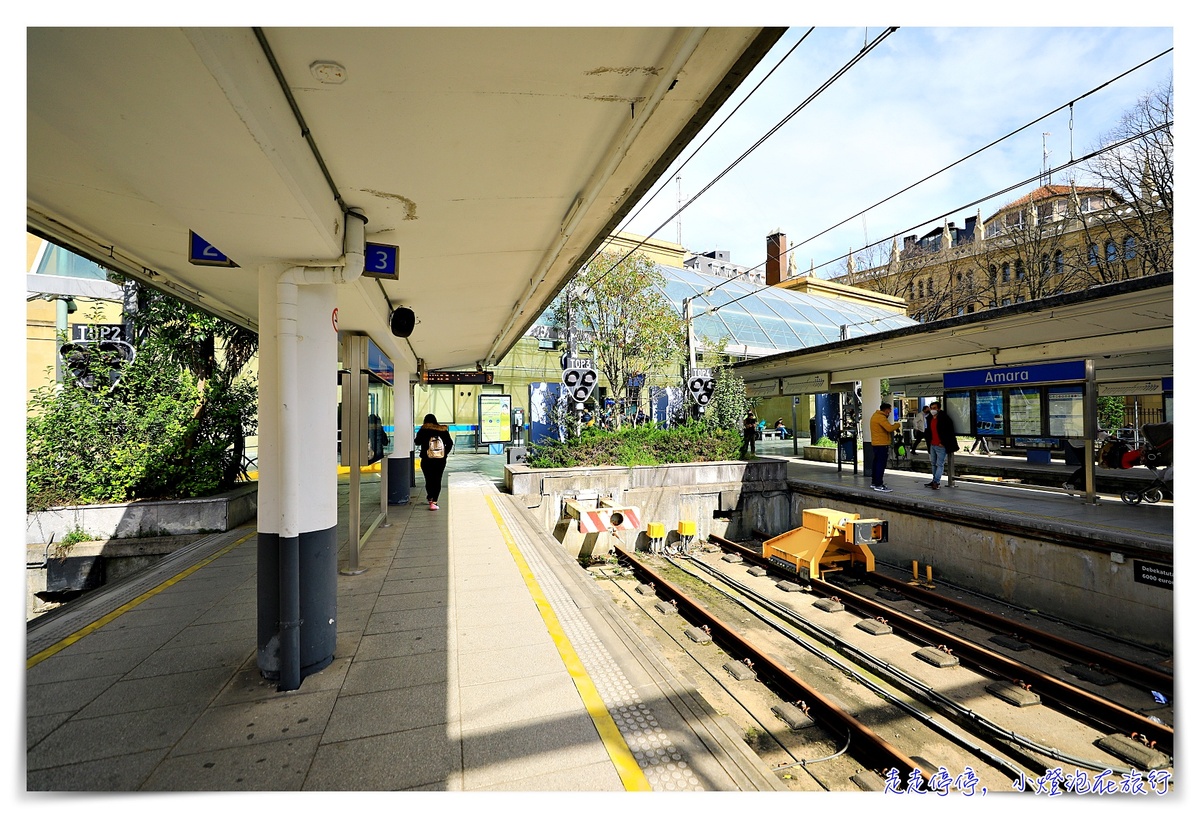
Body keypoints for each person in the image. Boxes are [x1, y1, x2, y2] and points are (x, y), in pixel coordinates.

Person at [414, 412, 454, 510]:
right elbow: (450, 443)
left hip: (426, 459)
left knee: (429, 479)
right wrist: (444, 454)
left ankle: (430, 497)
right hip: (440, 460)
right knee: (437, 479)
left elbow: (417, 442)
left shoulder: (423, 430)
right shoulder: (443, 430)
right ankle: (434, 502)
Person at [923, 400, 959, 490]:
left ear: (939, 408)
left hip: (940, 445)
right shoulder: (930, 418)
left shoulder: (944, 418)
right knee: (933, 464)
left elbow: (949, 432)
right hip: (932, 444)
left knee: (940, 464)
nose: (932, 410)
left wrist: (943, 443)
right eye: (931, 408)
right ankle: (934, 480)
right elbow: (928, 431)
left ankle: (936, 482)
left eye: (934, 408)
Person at [868, 402, 901, 492]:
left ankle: (874, 482)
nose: (890, 412)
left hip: (876, 444)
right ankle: (879, 484)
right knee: (880, 464)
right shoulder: (881, 417)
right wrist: (897, 425)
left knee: (876, 463)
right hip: (881, 444)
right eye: (889, 410)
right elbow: (889, 428)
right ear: (886, 410)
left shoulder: (875, 415)